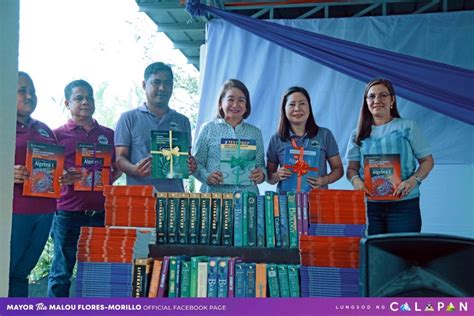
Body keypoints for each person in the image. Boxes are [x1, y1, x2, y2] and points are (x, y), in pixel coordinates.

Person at [47, 80, 122, 297]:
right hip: (67, 214)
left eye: (89, 97)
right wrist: (63, 177)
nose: (85, 102)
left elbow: (117, 166)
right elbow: (46, 173)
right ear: (67, 103)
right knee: (61, 273)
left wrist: (106, 180)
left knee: (97, 274)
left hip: (101, 214)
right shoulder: (56, 135)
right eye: (78, 98)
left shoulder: (109, 134)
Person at [346, 78, 434, 235]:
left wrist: (413, 180)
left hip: (404, 206)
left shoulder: (407, 126)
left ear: (392, 100)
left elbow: (427, 161)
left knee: (404, 254)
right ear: (366, 102)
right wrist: (356, 181)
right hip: (369, 207)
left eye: (383, 95)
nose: (377, 100)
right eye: (372, 96)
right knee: (374, 256)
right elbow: (351, 169)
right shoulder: (357, 134)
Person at [10, 71, 58, 297]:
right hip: (14, 212)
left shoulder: (44, 129)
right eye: (22, 91)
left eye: (33, 91)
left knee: (21, 274)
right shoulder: (3, 125)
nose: (29, 96)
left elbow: (56, 166)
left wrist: (64, 175)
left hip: (45, 212)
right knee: (5, 270)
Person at [115, 62, 196, 191]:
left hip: (173, 198)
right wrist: (135, 169)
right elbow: (119, 159)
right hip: (139, 197)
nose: (162, 88)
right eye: (156, 82)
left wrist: (191, 166)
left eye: (167, 83)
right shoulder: (128, 118)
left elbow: (186, 158)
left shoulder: (183, 121)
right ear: (143, 85)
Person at [193, 79, 266, 194]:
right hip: (215, 198)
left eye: (241, 100)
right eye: (230, 99)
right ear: (220, 103)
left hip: (247, 199)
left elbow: (261, 166)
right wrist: (207, 177)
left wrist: (261, 175)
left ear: (246, 106)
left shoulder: (255, 132)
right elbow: (196, 163)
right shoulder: (208, 129)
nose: (236, 105)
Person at [266, 86, 343, 192]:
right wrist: (277, 176)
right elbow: (269, 177)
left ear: (309, 107)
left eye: (302, 103)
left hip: (317, 202)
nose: (297, 109)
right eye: (292, 104)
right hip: (286, 203)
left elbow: (338, 169)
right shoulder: (276, 139)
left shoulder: (325, 135)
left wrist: (324, 180)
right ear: (284, 108)